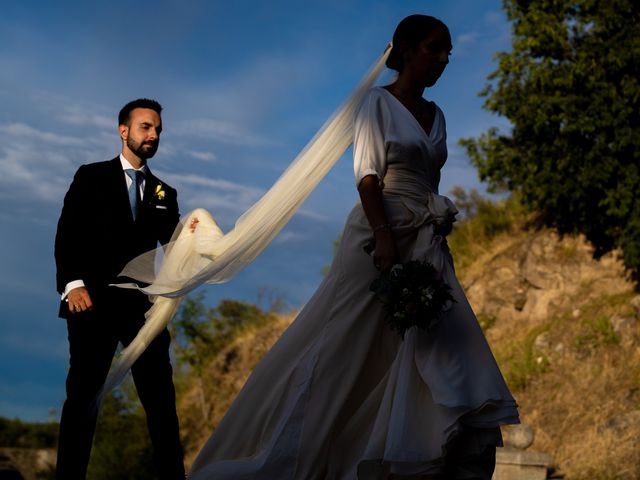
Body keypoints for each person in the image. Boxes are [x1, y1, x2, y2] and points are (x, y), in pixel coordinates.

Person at [185, 15, 519, 479]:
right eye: (433, 48)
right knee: (345, 347)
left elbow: (432, 179)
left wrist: (437, 230)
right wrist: (383, 238)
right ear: (404, 50)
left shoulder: (438, 114)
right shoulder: (376, 103)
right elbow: (367, 177)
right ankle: (301, 453)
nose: (443, 59)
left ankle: (414, 452)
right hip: (377, 233)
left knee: (438, 340)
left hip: (425, 237)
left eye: (448, 52)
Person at [54, 98, 185, 479]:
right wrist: (73, 285)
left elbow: (175, 245)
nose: (154, 135)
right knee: (82, 397)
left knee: (161, 397)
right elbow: (67, 234)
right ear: (123, 130)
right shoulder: (90, 176)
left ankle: (172, 475)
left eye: (158, 129)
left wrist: (193, 235)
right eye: (146, 127)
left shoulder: (165, 193)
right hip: (90, 303)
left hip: (142, 310)